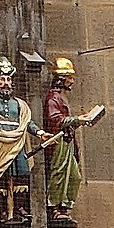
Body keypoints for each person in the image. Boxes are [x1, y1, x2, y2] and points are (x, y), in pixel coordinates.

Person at [0, 57, 38, 219]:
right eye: (3, 79)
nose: (6, 83)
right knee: (0, 176)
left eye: (8, 79)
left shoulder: (19, 104)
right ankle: (3, 210)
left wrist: (40, 133)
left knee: (22, 173)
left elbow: (27, 122)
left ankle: (19, 208)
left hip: (17, 142)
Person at [43, 56, 90, 217]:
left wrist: (81, 120)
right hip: (59, 142)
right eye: (69, 77)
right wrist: (77, 119)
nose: (72, 81)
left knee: (74, 176)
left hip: (67, 141)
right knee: (59, 173)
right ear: (61, 79)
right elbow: (55, 119)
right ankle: (55, 207)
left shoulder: (61, 98)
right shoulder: (53, 98)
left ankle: (64, 206)